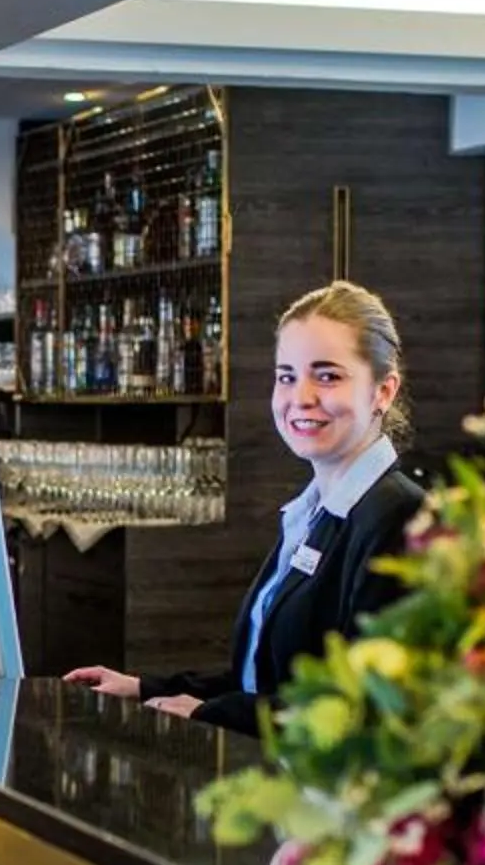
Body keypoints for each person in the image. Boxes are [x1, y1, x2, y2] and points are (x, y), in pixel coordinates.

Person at [67, 280, 426, 733]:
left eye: (328, 375)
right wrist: (145, 687)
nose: (301, 397)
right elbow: (266, 681)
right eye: (287, 376)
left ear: (383, 391)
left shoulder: (399, 518)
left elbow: (362, 710)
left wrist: (209, 713)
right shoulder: (316, 513)